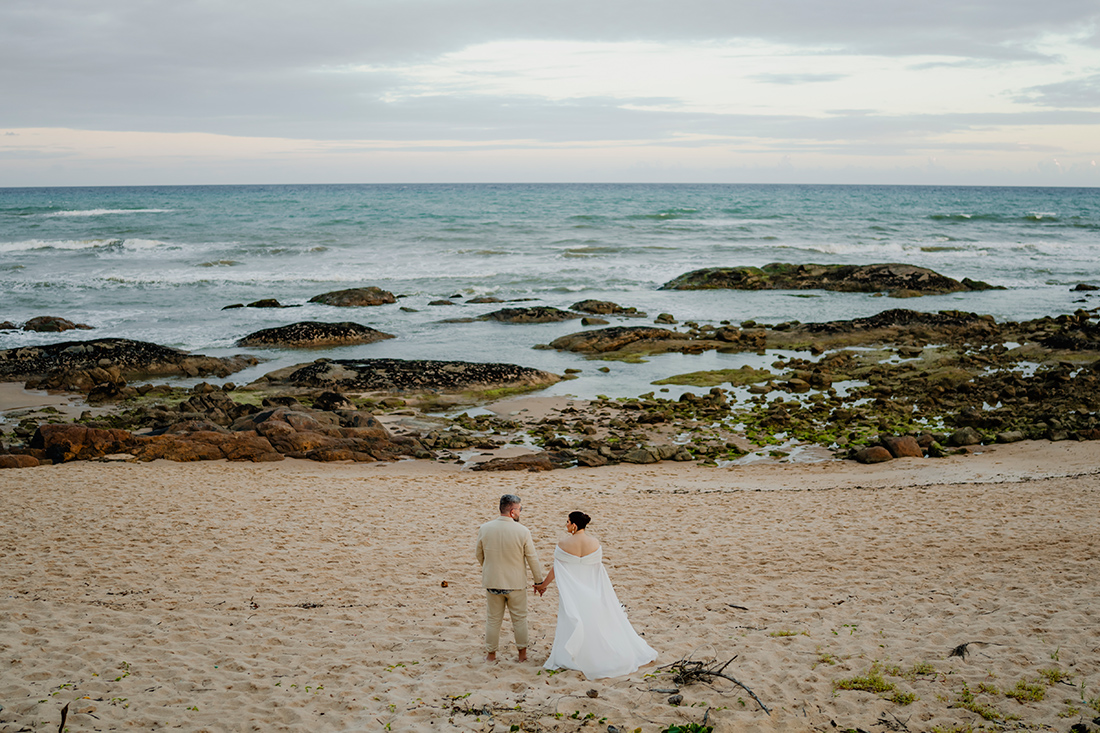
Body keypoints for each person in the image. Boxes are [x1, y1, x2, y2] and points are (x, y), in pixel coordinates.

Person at [534, 511, 657, 679]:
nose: (566, 525)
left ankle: (575, 656)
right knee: (595, 623)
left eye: (568, 522)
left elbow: (557, 569)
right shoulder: (595, 543)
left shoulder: (563, 544)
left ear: (574, 525)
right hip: (592, 590)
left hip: (573, 593)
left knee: (572, 622)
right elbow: (597, 569)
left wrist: (543, 585)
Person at [475, 494, 545, 662]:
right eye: (520, 509)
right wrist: (539, 582)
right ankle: (522, 656)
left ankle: (491, 655)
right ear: (513, 511)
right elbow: (532, 558)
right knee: (519, 620)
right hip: (515, 583)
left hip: (493, 581)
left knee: (493, 620)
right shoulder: (522, 531)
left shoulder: (485, 528)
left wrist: (490, 568)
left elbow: (479, 554)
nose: (521, 512)